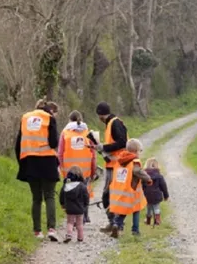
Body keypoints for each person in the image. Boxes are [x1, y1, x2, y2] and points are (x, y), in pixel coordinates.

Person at [15, 97, 60, 241]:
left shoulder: (25, 118)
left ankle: (37, 231)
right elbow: (53, 142)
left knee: (36, 198)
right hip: (47, 161)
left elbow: (18, 144)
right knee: (50, 195)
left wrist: (22, 162)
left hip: (30, 162)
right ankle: (52, 229)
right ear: (47, 108)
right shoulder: (49, 118)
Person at [92, 102, 128, 233]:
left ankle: (115, 223)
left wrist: (104, 147)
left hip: (116, 166)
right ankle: (115, 224)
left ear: (100, 115)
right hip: (115, 164)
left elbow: (122, 142)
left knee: (108, 196)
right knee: (114, 196)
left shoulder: (114, 123)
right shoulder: (112, 122)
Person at [58, 110, 96, 223]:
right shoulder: (88, 133)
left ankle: (72, 219)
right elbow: (93, 154)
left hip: (70, 171)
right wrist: (93, 170)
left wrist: (61, 168)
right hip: (85, 170)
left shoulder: (65, 133)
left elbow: (60, 153)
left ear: (69, 120)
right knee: (85, 193)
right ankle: (85, 216)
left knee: (70, 193)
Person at [109, 138, 151, 238]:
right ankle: (135, 230)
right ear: (136, 151)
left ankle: (116, 224)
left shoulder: (119, 160)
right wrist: (148, 179)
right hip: (132, 192)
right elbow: (138, 172)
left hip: (120, 191)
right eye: (140, 151)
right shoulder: (134, 162)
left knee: (124, 210)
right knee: (136, 210)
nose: (140, 153)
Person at [59, 165, 90, 243]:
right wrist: (86, 205)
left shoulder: (66, 185)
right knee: (79, 224)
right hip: (80, 208)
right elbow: (86, 196)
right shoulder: (82, 186)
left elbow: (61, 195)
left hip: (69, 208)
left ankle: (69, 235)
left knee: (70, 222)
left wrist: (62, 204)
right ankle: (80, 238)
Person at [143, 157, 170, 226]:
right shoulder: (159, 176)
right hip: (156, 195)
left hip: (146, 195)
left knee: (148, 207)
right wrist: (166, 196)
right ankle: (157, 219)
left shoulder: (144, 176)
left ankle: (148, 220)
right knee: (156, 207)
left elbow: (141, 186)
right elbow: (164, 186)